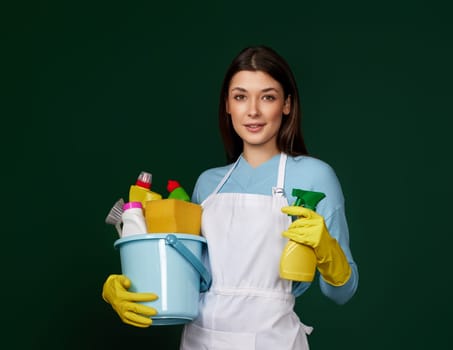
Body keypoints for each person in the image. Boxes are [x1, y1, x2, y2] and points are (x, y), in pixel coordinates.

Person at [102, 45, 359, 349]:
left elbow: (342, 292)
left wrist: (329, 252)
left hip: (272, 341)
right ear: (227, 105)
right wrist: (128, 284)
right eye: (240, 97)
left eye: (268, 97)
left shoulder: (314, 177)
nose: (253, 110)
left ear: (287, 105)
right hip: (201, 340)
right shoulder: (208, 184)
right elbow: (188, 276)